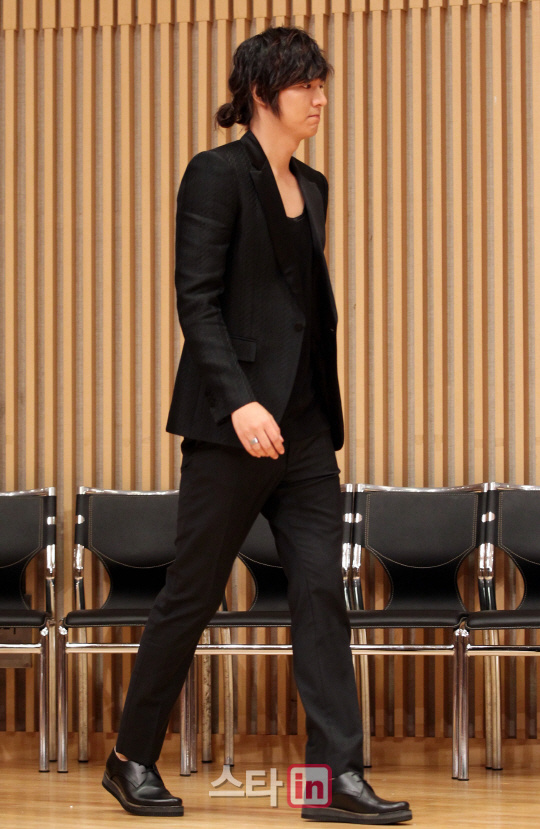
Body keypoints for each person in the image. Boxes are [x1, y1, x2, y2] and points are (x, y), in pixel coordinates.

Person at [102, 26, 412, 824]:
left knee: (320, 592)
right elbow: (197, 300)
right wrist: (240, 400)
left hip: (304, 433)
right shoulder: (215, 175)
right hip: (230, 425)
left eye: (322, 84)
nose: (321, 98)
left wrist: (304, 406)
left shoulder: (315, 185)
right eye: (307, 84)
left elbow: (301, 310)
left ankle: (331, 780)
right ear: (261, 92)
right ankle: (129, 757)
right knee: (192, 592)